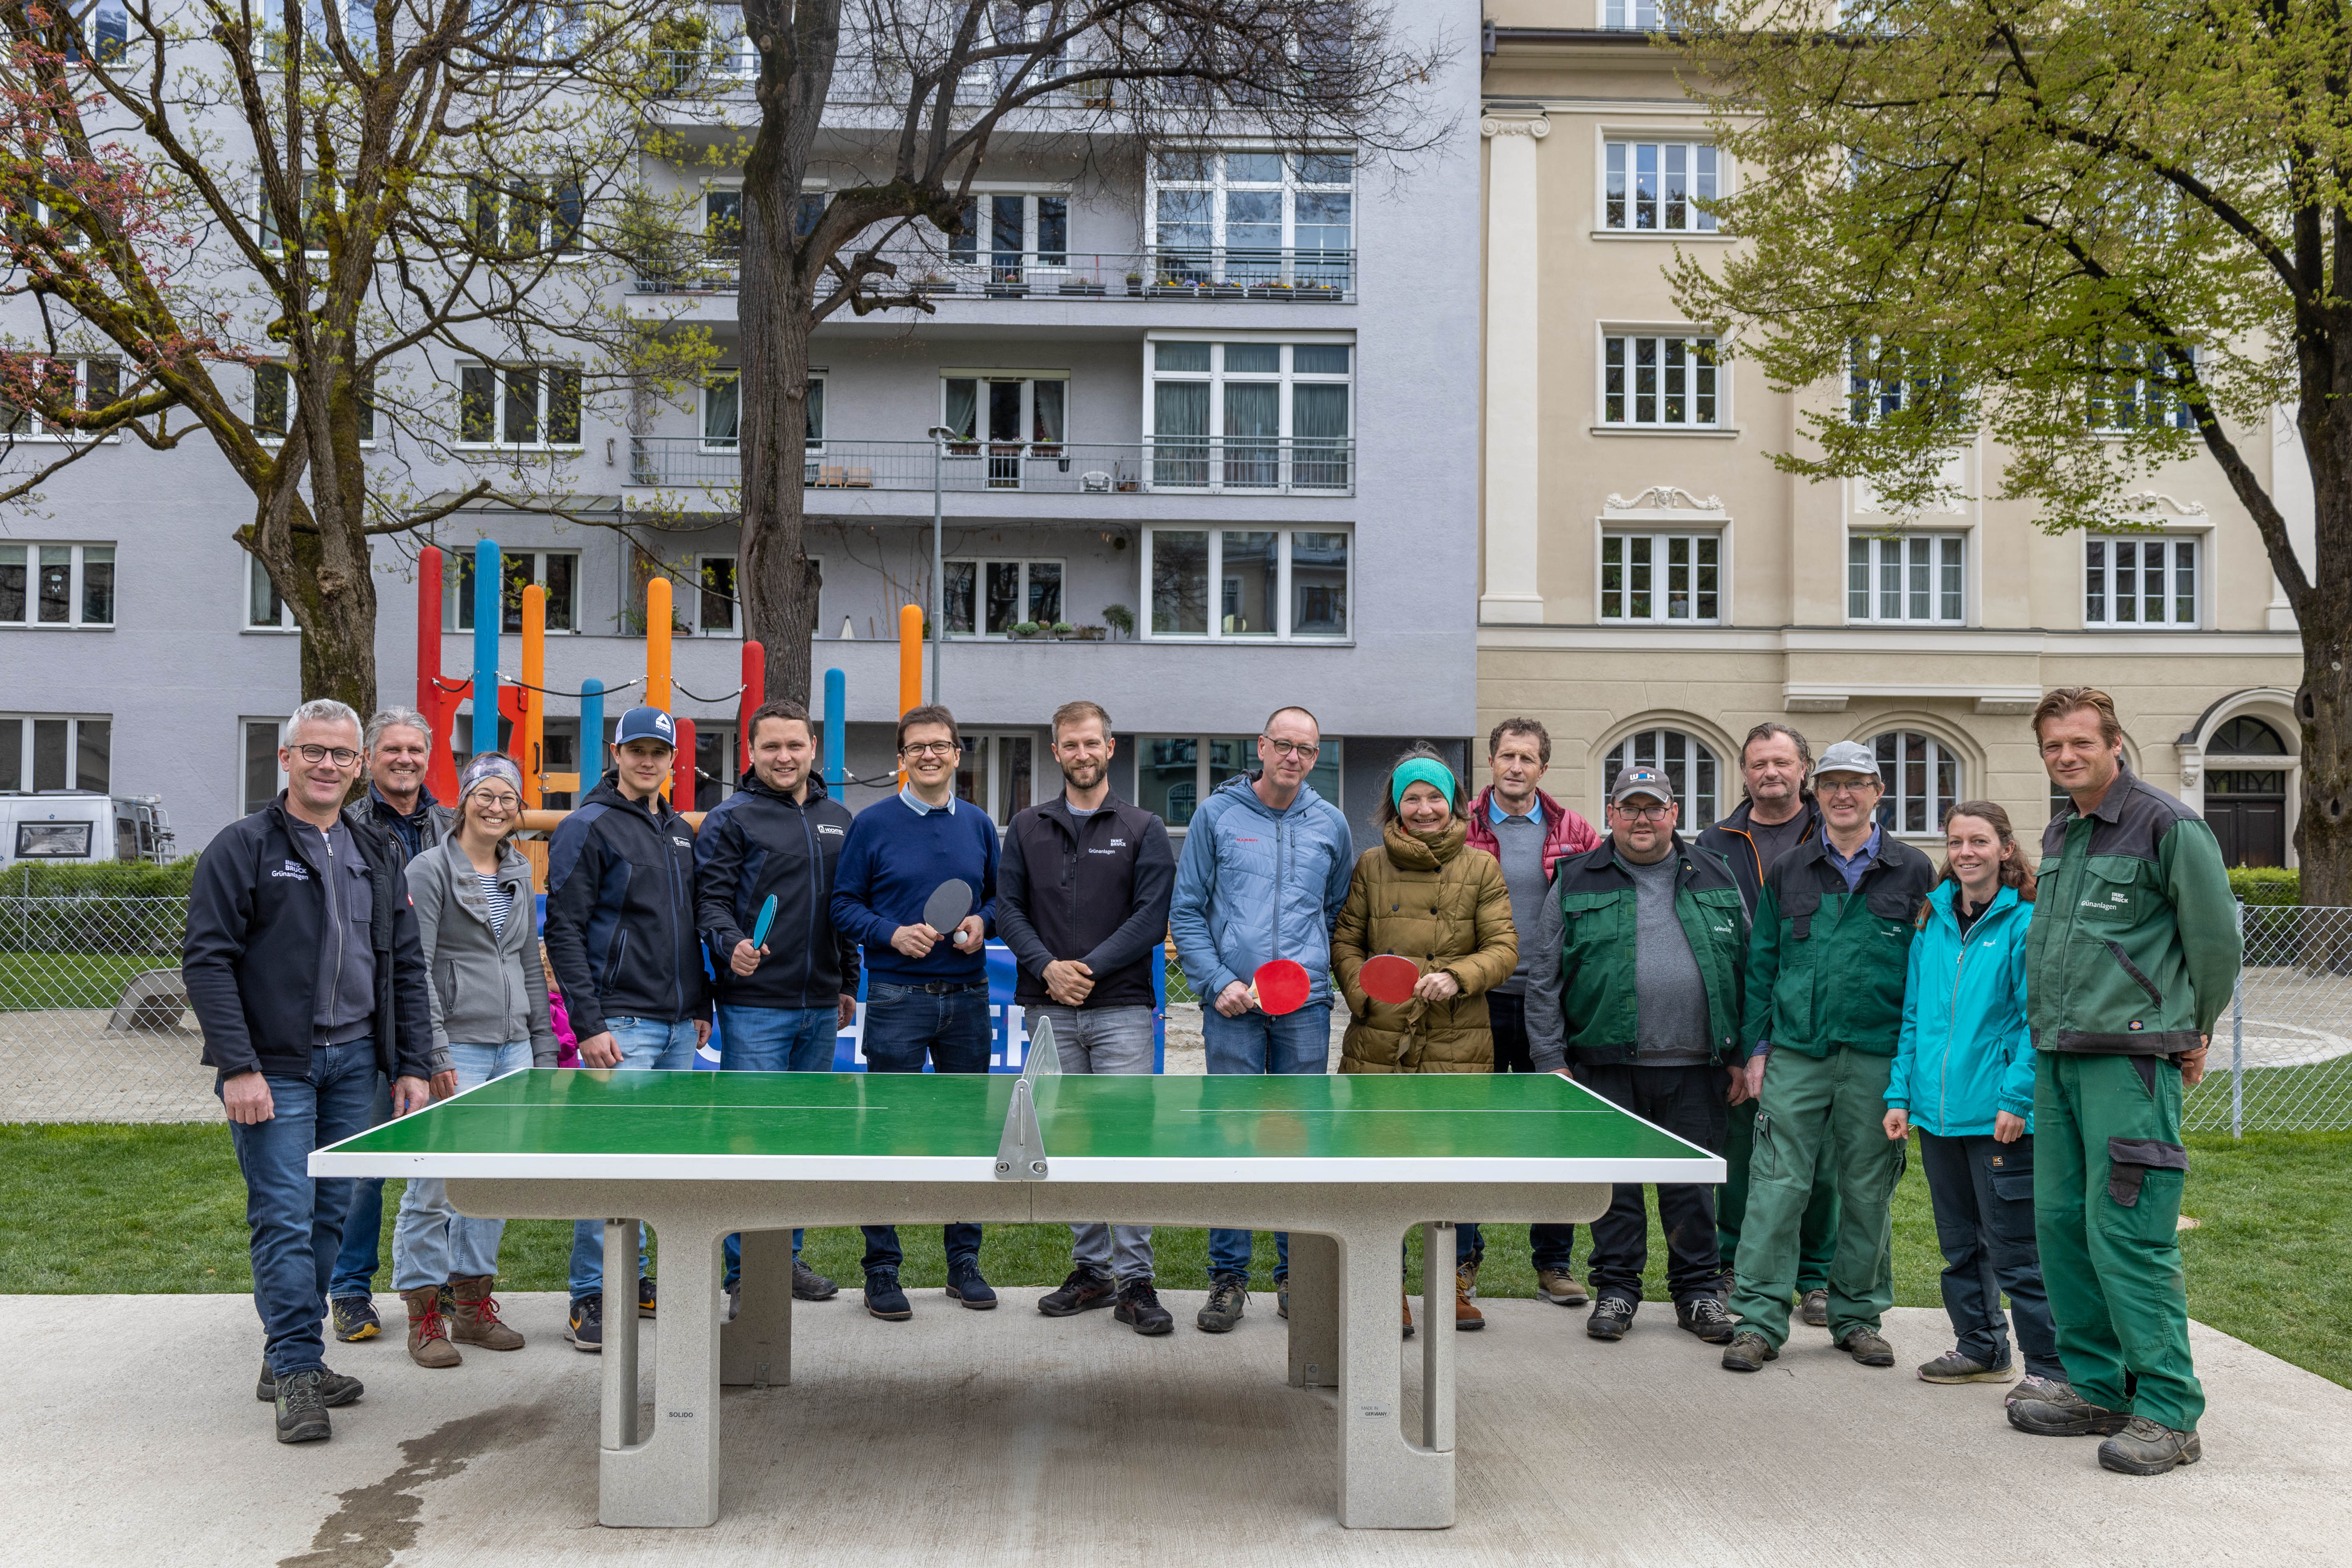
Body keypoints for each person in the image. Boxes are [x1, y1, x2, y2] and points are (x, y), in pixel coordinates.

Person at [182, 698, 442, 1443]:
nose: (328, 765)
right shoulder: (243, 847)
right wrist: (239, 1066)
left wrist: (411, 1064)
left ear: (358, 767)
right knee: (286, 1217)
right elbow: (208, 961)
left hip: (359, 1064)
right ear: (286, 759)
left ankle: (289, 1352)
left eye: (341, 754)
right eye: (313, 752)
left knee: (333, 1214)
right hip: (276, 1070)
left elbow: (404, 965)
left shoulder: (375, 851)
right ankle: (297, 1368)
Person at [2005, 688, 2240, 1475]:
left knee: (2129, 1233)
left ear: (2113, 743)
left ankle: (2170, 1411)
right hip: (2058, 1055)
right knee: (2063, 1227)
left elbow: (2215, 942)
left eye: (2079, 743)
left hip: (2131, 1061)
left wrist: (2196, 1029)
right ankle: (2098, 1386)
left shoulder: (2168, 825)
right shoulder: (2064, 828)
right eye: (2052, 748)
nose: (2065, 757)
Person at [1720, 739, 1936, 1375]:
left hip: (1876, 1056)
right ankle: (1758, 1320)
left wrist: (1910, 1066)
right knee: (1776, 1186)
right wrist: (1758, 1049)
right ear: (1817, 792)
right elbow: (1763, 966)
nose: (1844, 795)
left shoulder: (1914, 871)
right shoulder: (1789, 869)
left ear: (1878, 793)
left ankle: (1857, 1318)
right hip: (1797, 1053)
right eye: (1833, 783)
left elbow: (1927, 977)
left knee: (1867, 1190)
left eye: (1858, 783)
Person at [1526, 765, 1749, 1348]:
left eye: (1654, 808)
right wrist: (1551, 1061)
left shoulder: (1715, 873)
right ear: (1613, 815)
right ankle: (1617, 1290)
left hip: (1698, 1065)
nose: (1642, 819)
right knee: (1616, 1187)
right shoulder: (1577, 878)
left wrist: (1742, 1054)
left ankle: (1698, 1294)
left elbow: (1749, 968)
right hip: (1604, 1064)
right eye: (1630, 808)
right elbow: (1544, 977)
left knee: (1692, 1190)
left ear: (1675, 814)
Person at [1168, 705, 1355, 1334]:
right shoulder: (1216, 816)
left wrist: (1304, 974)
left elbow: (1333, 913)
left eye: (1306, 748)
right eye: (1283, 745)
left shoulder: (1331, 824)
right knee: (1233, 1135)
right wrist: (1218, 982)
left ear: (1315, 755)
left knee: (1296, 1139)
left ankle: (1294, 1274)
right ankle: (1228, 1278)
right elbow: (1187, 911)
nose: (1294, 757)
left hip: (1305, 1010)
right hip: (1232, 1008)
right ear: (1262, 746)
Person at [998, 700, 1178, 1337]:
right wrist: (1049, 969)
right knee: (1067, 1139)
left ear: (1111, 748)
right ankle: (1092, 1271)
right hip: (1048, 1008)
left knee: (1125, 1141)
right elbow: (1008, 910)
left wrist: (1088, 969)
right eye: (1070, 745)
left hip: (1122, 1010)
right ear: (1056, 752)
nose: (1082, 754)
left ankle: (1136, 1280)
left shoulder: (1145, 827)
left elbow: (1151, 918)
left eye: (1092, 743)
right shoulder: (1025, 826)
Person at [543, 705, 711, 1352]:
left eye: (659, 753)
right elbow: (563, 929)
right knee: (611, 1160)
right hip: (621, 1024)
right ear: (616, 753)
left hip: (675, 1028)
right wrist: (588, 1024)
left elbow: (686, 928)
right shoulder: (588, 827)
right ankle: (591, 1292)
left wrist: (701, 1007)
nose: (648, 761)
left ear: (673, 762)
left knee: (660, 1161)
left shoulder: (676, 830)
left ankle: (634, 1277)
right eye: (636, 750)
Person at [1332, 747, 1516, 1335]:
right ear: (1397, 805)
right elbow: (1346, 945)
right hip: (1380, 1043)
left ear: (1454, 804)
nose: (1425, 808)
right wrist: (1370, 999)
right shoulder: (1370, 865)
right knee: (1380, 1176)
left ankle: (1452, 1285)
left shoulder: (1481, 868)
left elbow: (1505, 949)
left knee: (1450, 1170)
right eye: (1413, 797)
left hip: (1457, 1044)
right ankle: (1388, 1290)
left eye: (1435, 796)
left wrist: (1458, 976)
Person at [1882, 801, 2062, 1399]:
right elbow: (1915, 1017)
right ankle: (1981, 1347)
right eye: (1956, 842)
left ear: (2005, 849)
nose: (1966, 853)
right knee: (1960, 1245)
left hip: (2000, 1117)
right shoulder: (1931, 919)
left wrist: (2017, 1099)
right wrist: (1900, 1094)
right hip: (1938, 1116)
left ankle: (2050, 1369)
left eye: (1979, 842)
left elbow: (2034, 1021)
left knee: (2017, 1253)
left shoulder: (2025, 921)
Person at [830, 704, 1000, 1321]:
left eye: (941, 745)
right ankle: (881, 1270)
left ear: (958, 754)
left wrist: (984, 921)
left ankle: (964, 1264)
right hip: (899, 1000)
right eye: (917, 747)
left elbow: (1002, 900)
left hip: (969, 998)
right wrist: (890, 934)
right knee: (886, 1137)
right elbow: (843, 906)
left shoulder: (979, 825)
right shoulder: (871, 825)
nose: (930, 755)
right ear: (901, 759)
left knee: (968, 1136)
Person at [392, 753, 557, 1367]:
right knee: (433, 1183)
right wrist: (434, 1050)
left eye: (507, 799)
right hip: (456, 1044)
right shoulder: (429, 869)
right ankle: (423, 1317)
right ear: (463, 801)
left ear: (518, 810)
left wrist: (542, 1049)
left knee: (492, 1180)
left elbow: (527, 967)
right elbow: (419, 969)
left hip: (513, 1046)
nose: (496, 807)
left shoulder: (518, 869)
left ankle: (472, 1309)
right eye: (485, 795)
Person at [695, 697, 859, 1313]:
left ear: (813, 748)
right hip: (756, 1006)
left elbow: (843, 911)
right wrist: (732, 942)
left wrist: (848, 979)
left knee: (800, 1139)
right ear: (752, 753)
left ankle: (785, 1258)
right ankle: (744, 1272)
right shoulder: (730, 819)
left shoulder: (840, 818)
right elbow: (709, 903)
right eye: (772, 747)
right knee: (753, 1139)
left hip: (821, 1006)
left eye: (795, 745)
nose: (784, 756)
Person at [1698, 722, 1841, 1328]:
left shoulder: (1834, 832)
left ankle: (1816, 1276)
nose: (1770, 773)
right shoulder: (1715, 841)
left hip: (1820, 1017)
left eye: (1782, 762)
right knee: (1741, 1148)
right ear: (1745, 771)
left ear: (1804, 768)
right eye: (1759, 764)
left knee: (1820, 1154)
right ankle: (1735, 1263)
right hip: (1738, 1015)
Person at [325, 706, 456, 1346]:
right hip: (372, 1016)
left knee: (446, 1161)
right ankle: (351, 1289)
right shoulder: (346, 827)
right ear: (368, 761)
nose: (404, 760)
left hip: (441, 1012)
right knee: (366, 1165)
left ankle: (444, 1282)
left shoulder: (452, 827)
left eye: (415, 750)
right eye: (392, 751)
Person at [1463, 716, 1600, 1308]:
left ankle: (1553, 1264)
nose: (1516, 767)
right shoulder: (1457, 825)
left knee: (1554, 1134)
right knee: (1469, 1136)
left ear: (1543, 768)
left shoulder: (1577, 832)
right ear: (1490, 763)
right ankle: (1462, 1262)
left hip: (1551, 1004)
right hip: (1478, 1001)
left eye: (1528, 759)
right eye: (1506, 757)